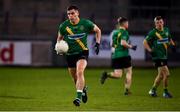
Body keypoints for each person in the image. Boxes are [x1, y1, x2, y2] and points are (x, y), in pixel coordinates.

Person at [56, 5, 101, 106]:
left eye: (72, 13)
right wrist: (59, 47)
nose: (70, 16)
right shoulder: (63, 26)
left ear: (77, 13)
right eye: (68, 14)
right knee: (75, 78)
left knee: (80, 72)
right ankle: (83, 89)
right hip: (70, 54)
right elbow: (59, 39)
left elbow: (98, 30)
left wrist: (98, 43)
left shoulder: (85, 23)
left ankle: (78, 98)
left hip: (82, 52)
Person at [100, 17, 137, 95]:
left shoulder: (115, 32)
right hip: (124, 55)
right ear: (124, 24)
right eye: (127, 23)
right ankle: (127, 90)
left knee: (118, 75)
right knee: (129, 72)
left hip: (115, 55)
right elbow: (123, 43)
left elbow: (112, 45)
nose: (128, 24)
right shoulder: (124, 32)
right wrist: (132, 47)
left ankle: (107, 74)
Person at [143, 16, 176, 98]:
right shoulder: (153, 32)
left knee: (161, 75)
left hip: (164, 56)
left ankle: (152, 90)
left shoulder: (166, 30)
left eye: (160, 22)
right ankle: (165, 92)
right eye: (157, 22)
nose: (159, 24)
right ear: (155, 24)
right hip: (158, 57)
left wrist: (173, 45)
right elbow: (144, 42)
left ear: (163, 22)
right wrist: (150, 50)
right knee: (167, 74)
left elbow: (169, 39)